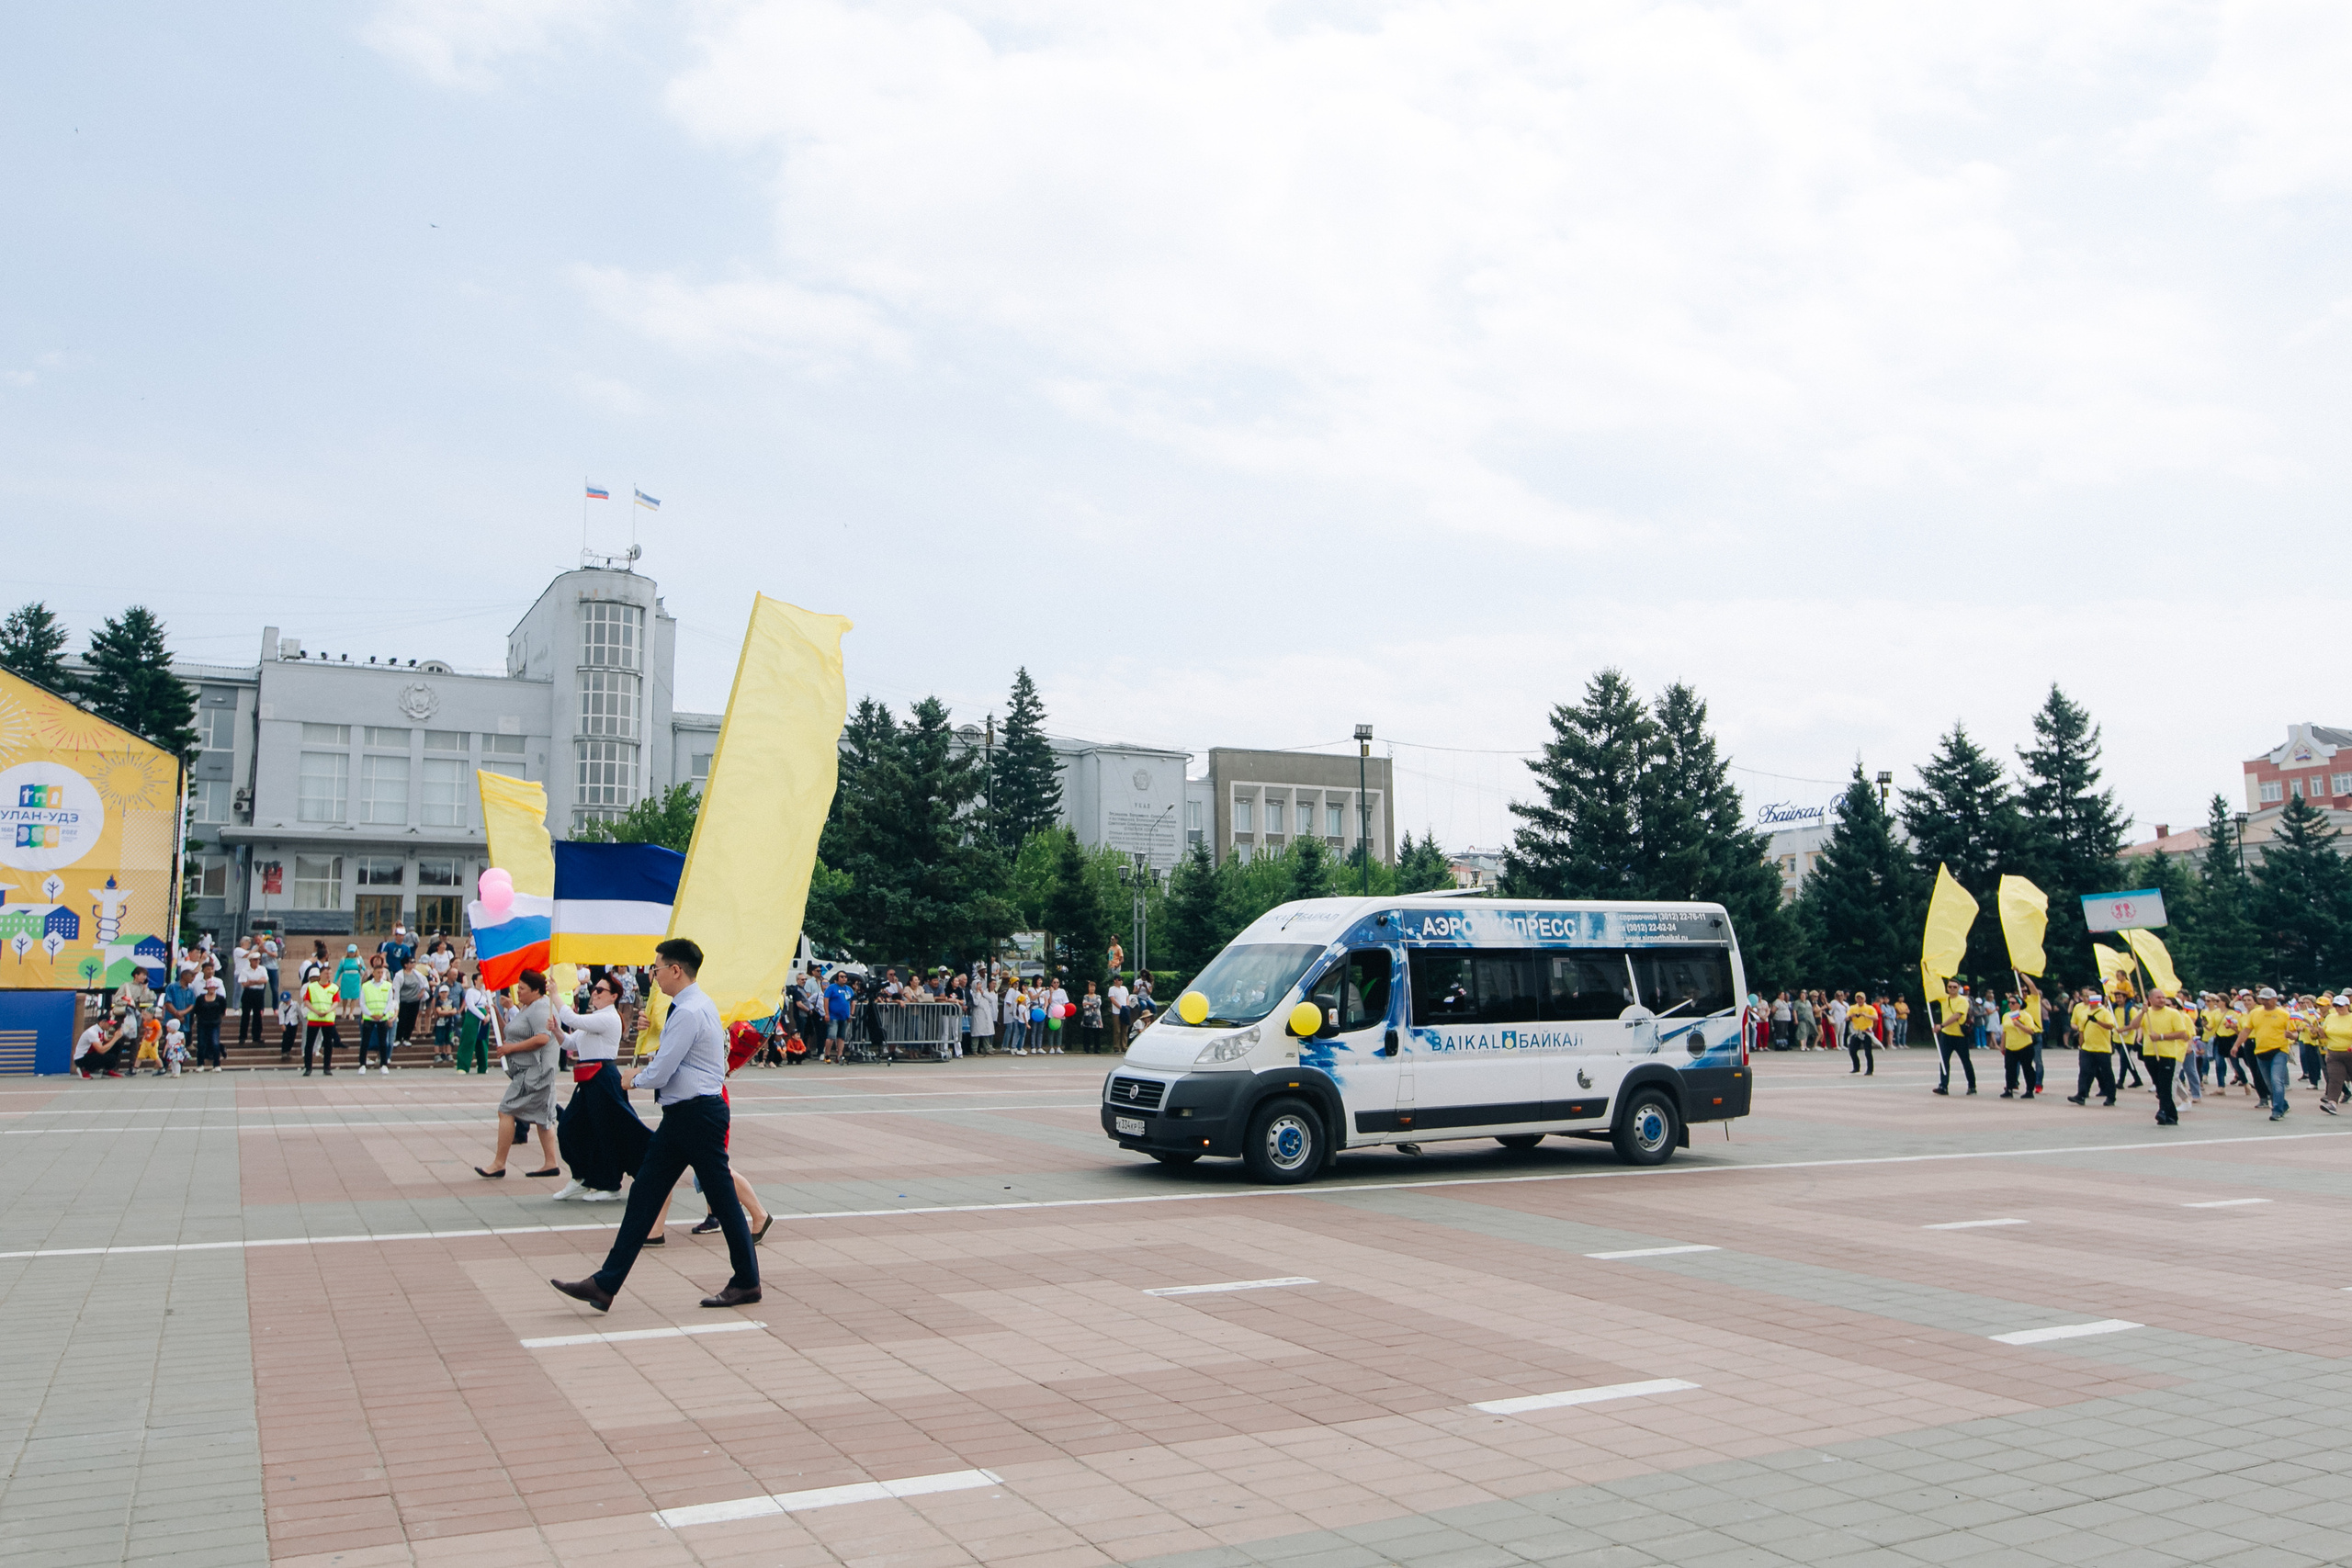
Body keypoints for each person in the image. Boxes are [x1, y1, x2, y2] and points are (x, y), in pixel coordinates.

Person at [550, 937, 762, 1312]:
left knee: (722, 1200)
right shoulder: (694, 1005)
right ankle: (605, 1284)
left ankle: (746, 1281)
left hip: (696, 1115)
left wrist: (635, 1078)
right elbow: (675, 1059)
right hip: (686, 1116)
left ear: (676, 970)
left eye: (657, 967)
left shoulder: (690, 1010)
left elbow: (665, 1067)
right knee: (646, 1193)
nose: (653, 975)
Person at [551, 974, 650, 1201]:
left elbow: (573, 1019)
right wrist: (557, 1030)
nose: (595, 993)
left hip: (603, 1077)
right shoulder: (595, 1018)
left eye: (600, 990)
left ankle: (610, 1184)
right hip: (588, 1079)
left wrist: (556, 996)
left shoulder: (609, 1018)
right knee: (569, 1128)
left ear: (614, 996)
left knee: (606, 1132)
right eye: (595, 989)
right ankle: (582, 1178)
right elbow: (569, 1042)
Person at [477, 971, 560, 1177]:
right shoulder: (528, 1008)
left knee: (505, 1110)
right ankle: (551, 1163)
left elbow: (542, 1037)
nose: (518, 992)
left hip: (535, 1072)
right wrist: (497, 1013)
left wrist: (511, 1049)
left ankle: (499, 1164)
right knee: (543, 1117)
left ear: (536, 990)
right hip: (531, 1072)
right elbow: (512, 1033)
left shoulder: (541, 1008)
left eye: (522, 989)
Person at [2241, 986, 2294, 1121]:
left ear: (2275, 999)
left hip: (2279, 1050)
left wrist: (2292, 1036)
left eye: (2268, 999)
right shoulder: (2255, 1013)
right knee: (2269, 1083)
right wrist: (2236, 1045)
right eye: (2262, 999)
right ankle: (2283, 1104)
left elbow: (2294, 1032)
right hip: (2261, 1051)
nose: (2265, 1002)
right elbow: (2246, 1030)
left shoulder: (2284, 1014)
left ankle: (2277, 1110)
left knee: (2277, 1080)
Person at [2142, 990, 2192, 1125]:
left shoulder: (2173, 1014)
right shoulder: (2146, 1013)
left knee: (2165, 1084)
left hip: (2167, 1054)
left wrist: (2161, 1037)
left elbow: (2182, 1033)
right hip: (2150, 1053)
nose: (2162, 1000)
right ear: (2150, 999)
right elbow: (2134, 1025)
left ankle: (2163, 1111)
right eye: (2158, 997)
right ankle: (2171, 1115)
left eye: (2163, 997)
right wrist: (2141, 1012)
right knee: (2159, 1085)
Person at [2065, 988, 2118, 1106]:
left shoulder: (2104, 1012)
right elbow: (2082, 1030)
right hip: (2087, 1048)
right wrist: (2081, 1044)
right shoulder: (2084, 1012)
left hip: (2102, 1048)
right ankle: (2081, 1094)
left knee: (2106, 1073)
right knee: (2084, 1071)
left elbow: (2110, 1026)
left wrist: (2097, 1021)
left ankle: (2111, 1096)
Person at [1931, 980, 1975, 1094]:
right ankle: (1943, 1086)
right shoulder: (1944, 998)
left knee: (1965, 1061)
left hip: (1960, 1036)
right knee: (1944, 1061)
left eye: (1954, 987)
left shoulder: (1963, 1001)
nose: (1952, 989)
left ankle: (1972, 1085)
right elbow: (1933, 990)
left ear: (1959, 988)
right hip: (1946, 1035)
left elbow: (1957, 1016)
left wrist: (1941, 1025)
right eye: (1950, 986)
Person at [356, 955, 396, 1072]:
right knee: (365, 1041)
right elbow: (362, 1002)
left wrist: (383, 1013)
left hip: (382, 1017)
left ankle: (383, 1064)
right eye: (378, 972)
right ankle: (362, 1064)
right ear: (373, 973)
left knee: (383, 1042)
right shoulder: (366, 986)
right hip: (369, 1017)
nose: (380, 974)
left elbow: (390, 1002)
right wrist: (370, 1014)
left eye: (381, 972)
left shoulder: (388, 986)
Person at [300, 967, 340, 1074]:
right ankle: (308, 1068)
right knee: (309, 1043)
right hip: (314, 1018)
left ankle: (327, 1067)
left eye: (330, 973)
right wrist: (316, 1011)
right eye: (326, 973)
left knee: (328, 1044)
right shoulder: (312, 987)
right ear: (320, 974)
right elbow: (307, 1001)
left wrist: (328, 1011)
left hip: (328, 1019)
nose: (328, 975)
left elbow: (336, 1002)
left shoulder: (334, 987)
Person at [192, 967, 230, 1071]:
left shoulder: (220, 999)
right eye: (210, 987)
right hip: (202, 1023)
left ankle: (216, 1064)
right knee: (201, 1043)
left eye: (213, 987)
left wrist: (218, 1018)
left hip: (215, 1023)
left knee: (215, 1043)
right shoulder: (200, 998)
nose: (212, 989)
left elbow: (223, 1010)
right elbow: (197, 1010)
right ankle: (200, 1064)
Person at [2320, 994, 2352, 1114]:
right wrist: (2321, 1033)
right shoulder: (2330, 1017)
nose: (2338, 1008)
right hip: (2334, 1054)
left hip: (2350, 1053)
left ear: (2347, 1006)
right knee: (2334, 1079)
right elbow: (2326, 1035)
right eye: (2336, 1006)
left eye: (2341, 1006)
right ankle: (2332, 1103)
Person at [457, 971, 492, 1074]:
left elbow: (489, 1005)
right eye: (480, 980)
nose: (482, 982)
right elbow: (471, 1006)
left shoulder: (485, 992)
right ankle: (463, 1066)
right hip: (473, 1017)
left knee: (482, 1042)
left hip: (484, 1017)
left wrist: (488, 1016)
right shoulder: (471, 992)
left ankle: (482, 1067)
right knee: (468, 1040)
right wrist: (482, 1017)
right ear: (475, 981)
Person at [235, 943, 269, 1046]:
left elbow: (265, 980)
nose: (257, 962)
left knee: (257, 1015)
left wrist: (252, 981)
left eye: (258, 960)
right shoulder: (245, 970)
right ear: (250, 961)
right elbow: (244, 983)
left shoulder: (262, 969)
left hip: (258, 993)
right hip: (248, 993)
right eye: (255, 960)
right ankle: (242, 1037)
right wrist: (256, 981)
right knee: (245, 1015)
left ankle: (257, 1036)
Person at [396, 956, 428, 1055]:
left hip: (414, 1001)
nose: (413, 964)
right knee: (402, 1019)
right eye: (411, 962)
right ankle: (398, 1038)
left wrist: (422, 992)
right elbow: (396, 989)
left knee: (411, 1020)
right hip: (404, 1000)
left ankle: (407, 1038)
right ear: (405, 964)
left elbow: (424, 983)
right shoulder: (399, 975)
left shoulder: (417, 974)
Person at [824, 970, 854, 1064]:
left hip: (844, 1016)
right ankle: (827, 1055)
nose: (844, 978)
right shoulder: (831, 988)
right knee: (831, 1036)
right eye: (841, 976)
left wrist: (851, 1014)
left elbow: (853, 1001)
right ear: (837, 978)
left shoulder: (849, 989)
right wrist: (827, 1013)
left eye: (845, 977)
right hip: (833, 1016)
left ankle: (839, 1055)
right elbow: (826, 1000)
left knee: (841, 1037)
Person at [1844, 994, 1877, 1076]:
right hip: (1857, 1031)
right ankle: (1856, 1067)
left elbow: (1876, 1017)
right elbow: (1846, 1018)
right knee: (1852, 1050)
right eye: (1858, 999)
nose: (1859, 1000)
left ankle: (1870, 1069)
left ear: (1864, 999)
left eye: (1861, 999)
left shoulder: (1869, 1008)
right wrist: (1851, 1016)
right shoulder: (1853, 1008)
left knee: (1868, 1052)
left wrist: (1865, 1015)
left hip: (1866, 1031)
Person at [334, 943, 366, 1022]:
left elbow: (364, 969)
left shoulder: (359, 959)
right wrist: (335, 981)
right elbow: (339, 970)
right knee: (345, 996)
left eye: (353, 952)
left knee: (354, 996)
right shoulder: (344, 959)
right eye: (350, 952)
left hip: (355, 978)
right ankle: (344, 1010)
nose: (352, 954)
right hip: (346, 978)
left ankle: (351, 1012)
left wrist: (361, 967)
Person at [968, 972, 997, 1055]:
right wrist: (978, 993)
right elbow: (976, 1003)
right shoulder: (973, 994)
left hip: (986, 1015)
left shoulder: (984, 992)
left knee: (986, 1033)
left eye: (980, 985)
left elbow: (991, 999)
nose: (980, 987)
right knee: (976, 1033)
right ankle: (974, 1049)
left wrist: (983, 993)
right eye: (978, 985)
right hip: (978, 1015)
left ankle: (987, 1048)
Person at [1080, 981, 1104, 1054]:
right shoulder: (1085, 996)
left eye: (1093, 987)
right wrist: (1091, 1004)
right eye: (1090, 987)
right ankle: (1086, 1049)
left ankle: (1097, 1049)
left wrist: (1089, 1003)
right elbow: (1085, 1005)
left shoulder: (1098, 996)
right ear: (1088, 988)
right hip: (1087, 1017)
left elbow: (1097, 1004)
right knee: (1087, 1034)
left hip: (1096, 1018)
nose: (1092, 988)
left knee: (1097, 1035)